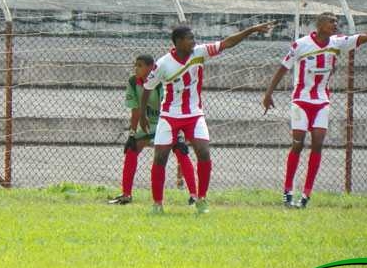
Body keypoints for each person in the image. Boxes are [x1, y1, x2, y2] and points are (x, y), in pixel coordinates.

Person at [262, 12, 367, 208]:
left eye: (336, 21)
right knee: (298, 145)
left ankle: (306, 195)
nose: (335, 24)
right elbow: (282, 68)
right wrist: (268, 94)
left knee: (318, 145)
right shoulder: (301, 44)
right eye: (331, 21)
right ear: (320, 25)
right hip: (300, 101)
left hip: (321, 102)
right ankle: (287, 191)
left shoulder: (338, 42)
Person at [141, 21, 276, 214]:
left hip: (194, 114)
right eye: (190, 38)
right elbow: (147, 88)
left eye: (194, 38)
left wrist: (252, 30)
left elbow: (227, 43)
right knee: (160, 158)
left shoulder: (199, 53)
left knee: (204, 152)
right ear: (178, 41)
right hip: (169, 116)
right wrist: (143, 115)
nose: (194, 41)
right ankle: (157, 204)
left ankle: (202, 199)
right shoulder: (163, 64)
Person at [108, 54, 198, 205]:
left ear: (151, 68)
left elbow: (171, 107)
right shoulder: (133, 82)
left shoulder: (162, 82)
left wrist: (178, 133)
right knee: (131, 149)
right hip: (148, 123)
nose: (136, 68)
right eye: (135, 65)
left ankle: (194, 196)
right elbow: (135, 111)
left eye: (140, 65)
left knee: (180, 150)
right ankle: (126, 195)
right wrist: (132, 134)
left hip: (167, 121)